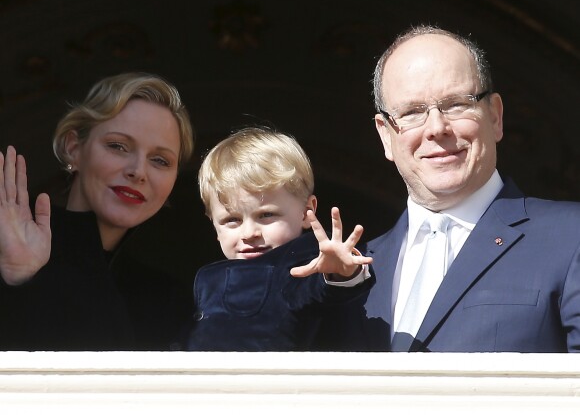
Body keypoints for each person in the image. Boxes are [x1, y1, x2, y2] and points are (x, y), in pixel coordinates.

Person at [317, 24, 580, 353]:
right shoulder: (357, 269)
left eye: (456, 104)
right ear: (386, 135)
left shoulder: (570, 236)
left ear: (495, 116)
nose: (436, 128)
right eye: (412, 112)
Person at [0, 72, 195, 350]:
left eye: (160, 160)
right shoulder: (10, 250)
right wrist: (19, 280)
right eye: (118, 146)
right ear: (74, 149)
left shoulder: (170, 300)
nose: (138, 171)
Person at [186, 127, 372, 351]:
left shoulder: (301, 267)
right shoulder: (205, 279)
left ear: (306, 212)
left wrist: (339, 271)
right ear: (214, 225)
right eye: (232, 220)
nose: (249, 233)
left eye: (266, 215)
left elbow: (322, 290)